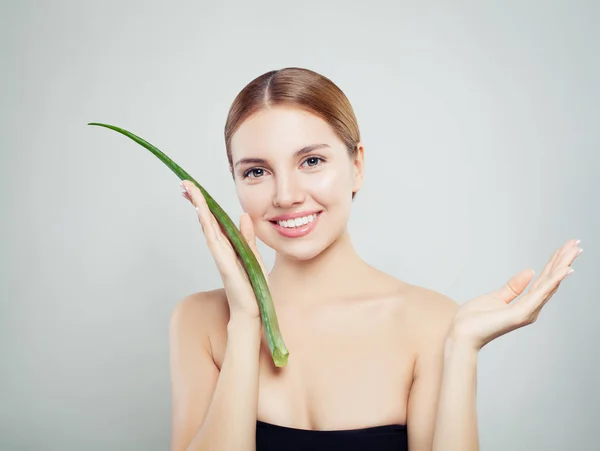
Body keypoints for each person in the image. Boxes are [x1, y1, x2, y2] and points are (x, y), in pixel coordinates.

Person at [169, 67, 581, 451]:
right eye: (256, 171)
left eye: (311, 161)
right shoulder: (199, 321)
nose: (286, 195)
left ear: (357, 166)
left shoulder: (431, 322)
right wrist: (245, 323)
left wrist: (462, 349)